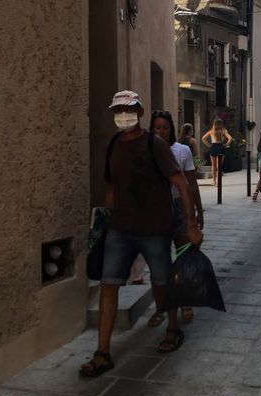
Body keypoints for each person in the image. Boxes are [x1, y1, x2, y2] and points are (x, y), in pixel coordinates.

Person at [79, 91, 203, 378]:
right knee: (109, 286)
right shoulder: (113, 144)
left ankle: (172, 328)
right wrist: (105, 220)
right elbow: (110, 185)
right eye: (118, 109)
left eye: (129, 108)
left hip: (155, 229)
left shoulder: (155, 145)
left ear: (140, 111)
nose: (124, 113)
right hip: (120, 229)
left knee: (161, 282)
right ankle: (102, 353)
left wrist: (191, 224)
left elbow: (181, 183)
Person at [149, 110, 204, 326]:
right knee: (159, 264)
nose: (161, 131)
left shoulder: (182, 151)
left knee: (183, 258)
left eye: (165, 127)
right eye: (157, 128)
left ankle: (185, 302)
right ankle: (160, 307)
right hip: (156, 210)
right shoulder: (147, 150)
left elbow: (191, 184)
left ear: (172, 129)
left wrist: (198, 211)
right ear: (152, 129)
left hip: (180, 208)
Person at [202, 118, 233, 186]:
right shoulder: (223, 130)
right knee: (219, 166)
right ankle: (219, 181)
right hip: (221, 147)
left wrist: (209, 145)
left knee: (213, 166)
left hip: (213, 147)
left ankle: (214, 181)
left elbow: (203, 138)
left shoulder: (211, 131)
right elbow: (230, 138)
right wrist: (226, 145)